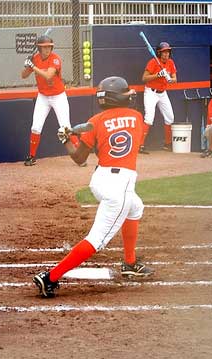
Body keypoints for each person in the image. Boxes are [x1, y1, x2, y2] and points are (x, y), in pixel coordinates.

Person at [33, 76, 153, 299]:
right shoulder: (137, 118)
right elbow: (120, 140)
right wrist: (81, 136)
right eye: (125, 94)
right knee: (96, 240)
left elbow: (79, 158)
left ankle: (129, 263)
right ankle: (50, 278)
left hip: (101, 180)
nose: (129, 97)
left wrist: (68, 140)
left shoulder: (95, 121)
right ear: (116, 97)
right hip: (119, 187)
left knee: (136, 207)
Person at [21, 35, 80, 166]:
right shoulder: (35, 59)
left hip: (58, 96)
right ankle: (31, 156)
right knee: (35, 127)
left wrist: (34, 67)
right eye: (44, 47)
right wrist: (27, 66)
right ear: (39, 48)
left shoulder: (55, 59)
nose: (47, 49)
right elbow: (23, 76)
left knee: (66, 127)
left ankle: (81, 154)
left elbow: (48, 76)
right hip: (43, 97)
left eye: (49, 47)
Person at [139, 41, 177, 154]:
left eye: (168, 52)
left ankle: (167, 144)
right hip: (151, 92)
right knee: (149, 118)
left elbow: (175, 78)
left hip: (162, 93)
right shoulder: (153, 62)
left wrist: (170, 79)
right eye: (164, 52)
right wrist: (158, 75)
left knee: (170, 118)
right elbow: (144, 78)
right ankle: (140, 145)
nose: (166, 54)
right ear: (159, 53)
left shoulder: (170, 62)